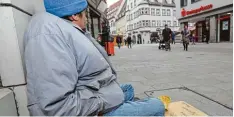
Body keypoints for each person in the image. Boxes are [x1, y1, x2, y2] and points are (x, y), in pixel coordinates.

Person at [24, 0, 165, 116]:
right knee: (157, 106)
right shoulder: (49, 36)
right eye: (85, 14)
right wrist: (104, 102)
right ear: (74, 15)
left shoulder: (64, 27)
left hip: (92, 92)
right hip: (89, 108)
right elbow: (59, 108)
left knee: (128, 89)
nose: (86, 19)